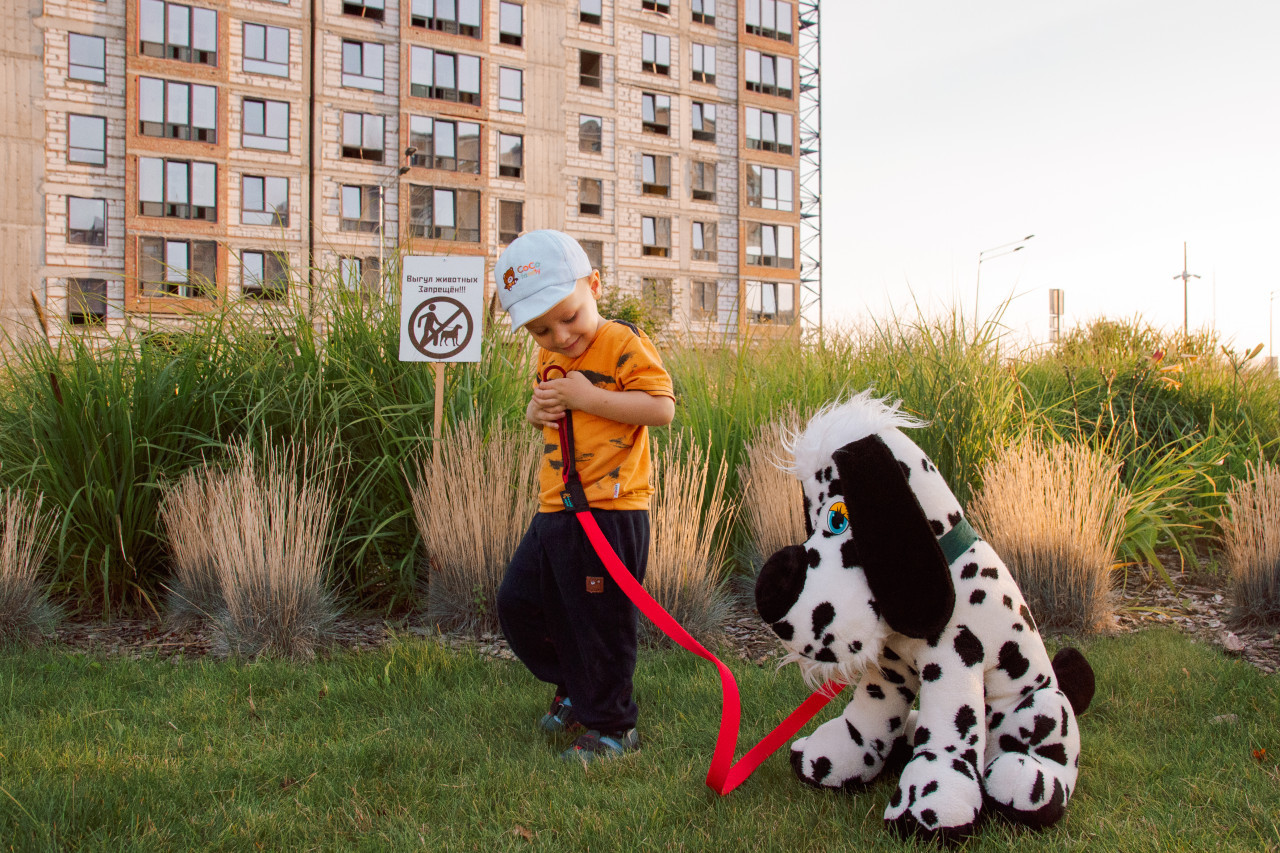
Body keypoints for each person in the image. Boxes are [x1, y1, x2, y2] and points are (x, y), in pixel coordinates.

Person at [494, 229, 675, 763]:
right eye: (541, 329)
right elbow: (556, 414)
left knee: (601, 620)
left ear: (593, 284)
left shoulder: (622, 342)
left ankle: (614, 726)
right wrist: (536, 412)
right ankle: (576, 685)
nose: (559, 335)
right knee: (521, 603)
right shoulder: (550, 359)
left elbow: (661, 408)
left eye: (568, 316)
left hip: (612, 510)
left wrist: (588, 395)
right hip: (557, 508)